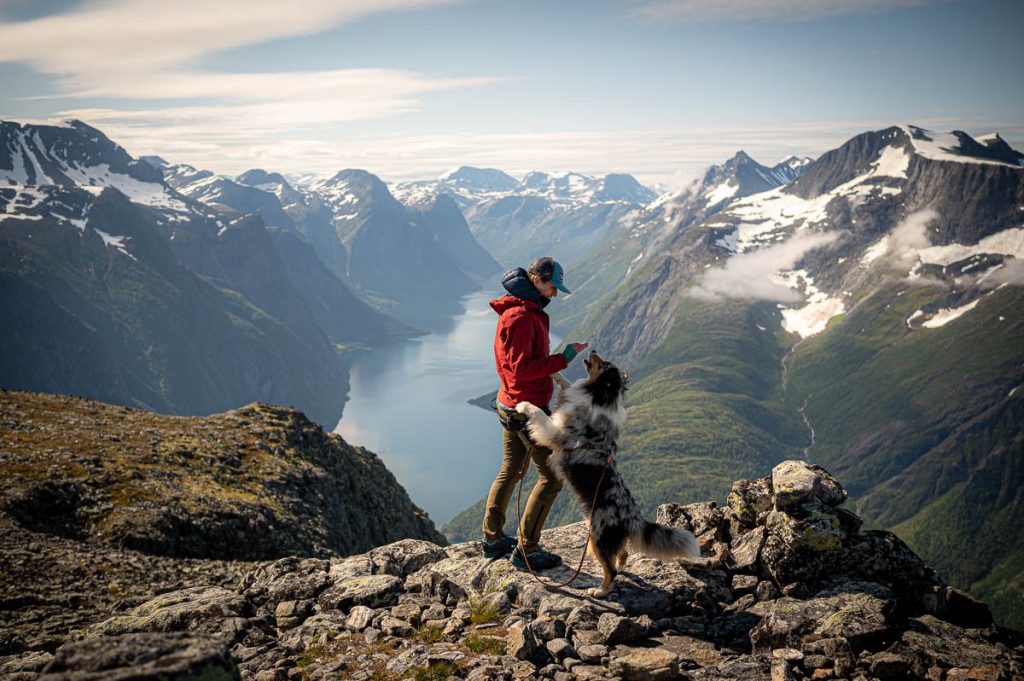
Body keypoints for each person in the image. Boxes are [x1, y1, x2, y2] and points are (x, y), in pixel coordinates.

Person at [482, 256, 588, 569]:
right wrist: (564, 358)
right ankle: (527, 549)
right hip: (527, 409)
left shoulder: (518, 310)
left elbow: (516, 368)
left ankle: (492, 539)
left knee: (511, 469)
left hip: (510, 403)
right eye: (552, 286)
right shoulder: (523, 317)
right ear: (537, 279)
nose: (554, 294)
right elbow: (521, 370)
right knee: (553, 477)